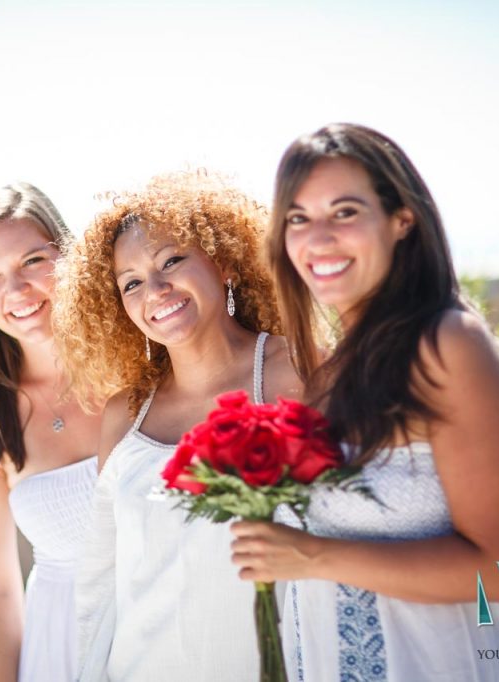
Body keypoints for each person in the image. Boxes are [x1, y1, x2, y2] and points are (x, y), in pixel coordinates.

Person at [229, 123, 499, 681]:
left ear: (403, 220)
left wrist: (312, 554)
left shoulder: (446, 345)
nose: (317, 237)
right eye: (298, 218)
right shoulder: (329, 372)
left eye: (344, 212)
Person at [55, 170, 302, 681]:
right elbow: (103, 580)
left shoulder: (298, 372)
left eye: (172, 260)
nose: (157, 289)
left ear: (226, 261)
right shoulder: (125, 413)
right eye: (132, 283)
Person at [0, 182, 102, 682]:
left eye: (33, 262)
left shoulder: (144, 365)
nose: (14, 291)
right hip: (62, 650)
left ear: (69, 255)